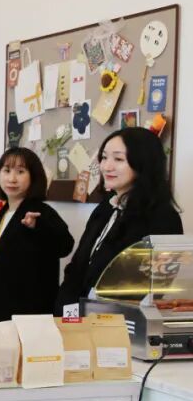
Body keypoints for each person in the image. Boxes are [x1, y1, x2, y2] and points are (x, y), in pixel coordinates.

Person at [56, 127, 183, 315]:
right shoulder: (106, 208)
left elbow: (151, 286)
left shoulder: (163, 219)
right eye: (104, 157)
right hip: (78, 319)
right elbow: (77, 268)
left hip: (119, 323)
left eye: (118, 159)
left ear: (143, 163)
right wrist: (66, 315)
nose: (106, 167)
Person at [0, 148, 73, 322]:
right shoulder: (3, 214)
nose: (12, 178)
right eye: (7, 170)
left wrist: (38, 226)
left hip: (27, 316)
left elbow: (65, 245)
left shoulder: (41, 212)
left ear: (34, 177)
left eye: (20, 172)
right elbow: (2, 264)